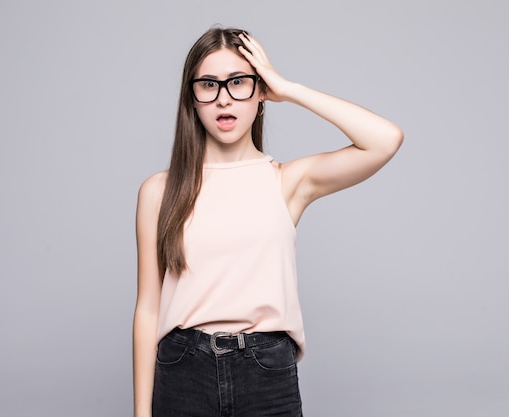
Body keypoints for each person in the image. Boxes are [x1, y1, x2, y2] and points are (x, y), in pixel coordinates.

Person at [132, 27, 403, 417]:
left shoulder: (286, 181)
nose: (224, 97)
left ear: (261, 94)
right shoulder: (159, 190)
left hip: (265, 372)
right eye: (209, 84)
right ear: (191, 98)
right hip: (183, 370)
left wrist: (288, 88)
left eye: (239, 82)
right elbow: (147, 309)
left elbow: (385, 139)